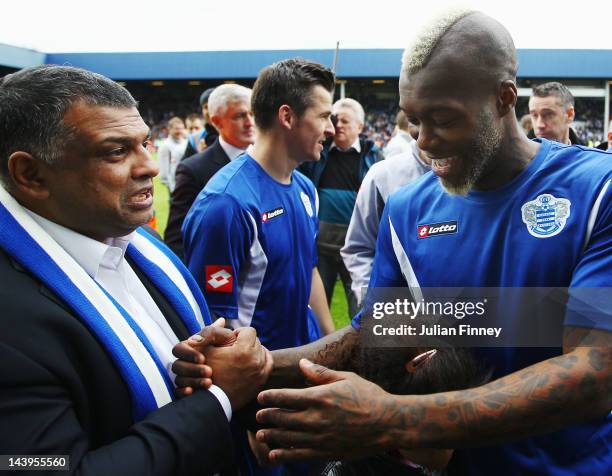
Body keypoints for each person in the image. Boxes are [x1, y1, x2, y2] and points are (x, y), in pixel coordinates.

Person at [245, 11, 610, 475]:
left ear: (504, 99)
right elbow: (381, 332)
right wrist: (258, 364)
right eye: (415, 120)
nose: (425, 141)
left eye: (442, 119)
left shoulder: (597, 191)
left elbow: (595, 372)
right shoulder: (407, 209)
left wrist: (392, 419)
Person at [0, 64, 272, 476]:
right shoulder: (9, 317)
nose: (148, 166)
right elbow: (38, 468)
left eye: (145, 143)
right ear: (31, 174)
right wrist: (216, 399)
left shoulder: (136, 244)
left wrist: (205, 364)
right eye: (115, 151)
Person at [299, 98, 383, 318]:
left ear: (360, 127)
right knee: (316, 308)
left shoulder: (373, 157)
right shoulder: (317, 155)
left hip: (357, 250)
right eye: (334, 120)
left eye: (345, 121)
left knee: (361, 310)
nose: (338, 126)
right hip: (321, 248)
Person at [164, 84, 255, 260]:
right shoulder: (193, 170)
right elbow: (176, 239)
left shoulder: (272, 164)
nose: (250, 122)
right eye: (240, 115)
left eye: (252, 114)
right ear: (217, 121)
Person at [340, 134, 430, 307]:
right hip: (398, 319)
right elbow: (359, 247)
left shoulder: (480, 177)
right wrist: (374, 304)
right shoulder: (383, 174)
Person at [183, 87, 219, 159]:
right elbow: (184, 168)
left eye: (212, 106)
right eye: (206, 107)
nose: (209, 110)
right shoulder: (195, 139)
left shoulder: (235, 134)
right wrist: (200, 157)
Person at [157, 116, 187, 192]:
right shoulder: (165, 146)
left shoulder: (186, 142)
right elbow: (163, 172)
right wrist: (172, 188)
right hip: (175, 188)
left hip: (188, 184)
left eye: (181, 128)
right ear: (169, 129)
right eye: (177, 129)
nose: (179, 131)